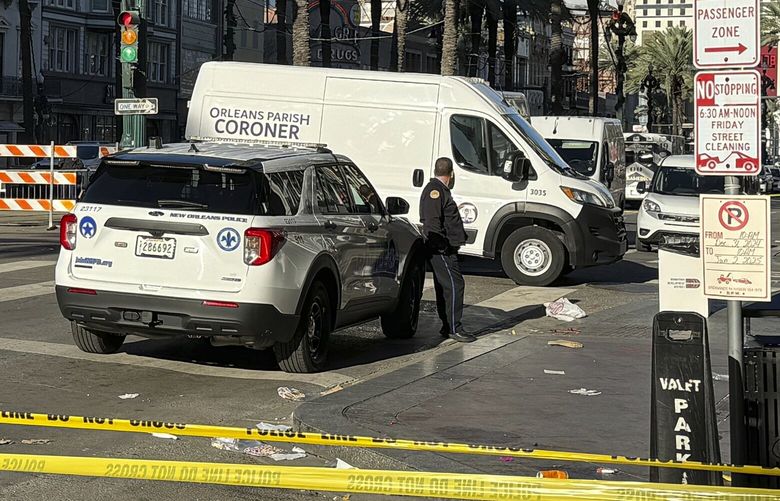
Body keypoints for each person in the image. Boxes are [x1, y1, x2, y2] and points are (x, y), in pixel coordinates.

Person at [419, 157, 476, 343]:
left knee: (445, 287)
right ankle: (454, 327)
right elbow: (432, 224)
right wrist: (442, 247)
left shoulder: (440, 190)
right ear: (451, 174)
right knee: (454, 285)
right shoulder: (435, 191)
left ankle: (447, 325)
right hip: (441, 250)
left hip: (444, 248)